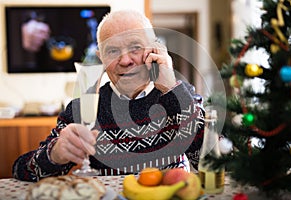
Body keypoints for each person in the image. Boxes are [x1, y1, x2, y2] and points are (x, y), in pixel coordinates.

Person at [12, 10, 205, 182]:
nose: (125, 60)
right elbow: (22, 170)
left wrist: (172, 89)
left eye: (135, 47)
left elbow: (218, 160)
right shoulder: (85, 107)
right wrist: (54, 154)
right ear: (101, 57)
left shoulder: (181, 95)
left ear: (155, 49)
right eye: (112, 51)